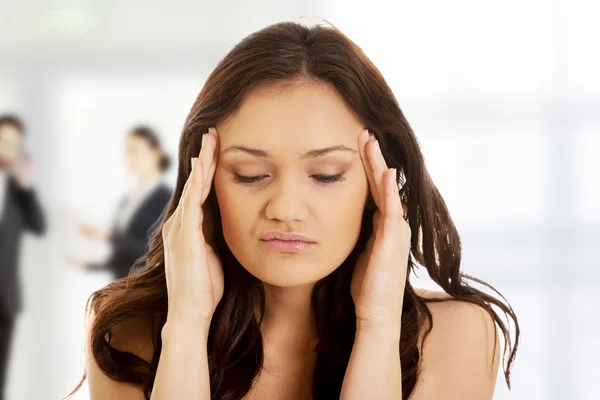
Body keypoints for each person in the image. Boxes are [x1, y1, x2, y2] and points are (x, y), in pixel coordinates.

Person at [71, 22, 520, 400]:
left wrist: (377, 328)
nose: (285, 209)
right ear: (202, 186)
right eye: (249, 174)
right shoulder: (125, 334)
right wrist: (186, 326)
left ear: (379, 185)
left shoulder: (456, 336)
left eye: (326, 175)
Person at [68, 126, 172, 280]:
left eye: (135, 151)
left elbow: (156, 250)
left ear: (156, 153)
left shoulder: (166, 198)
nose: (130, 158)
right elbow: (123, 256)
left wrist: (109, 236)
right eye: (127, 152)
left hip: (145, 287)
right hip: (121, 287)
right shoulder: (127, 201)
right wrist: (89, 265)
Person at [0, 114, 46, 400]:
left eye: (15, 144)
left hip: (5, 298)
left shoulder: (18, 191)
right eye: (4, 140)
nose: (8, 148)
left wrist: (25, 185)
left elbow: (39, 226)